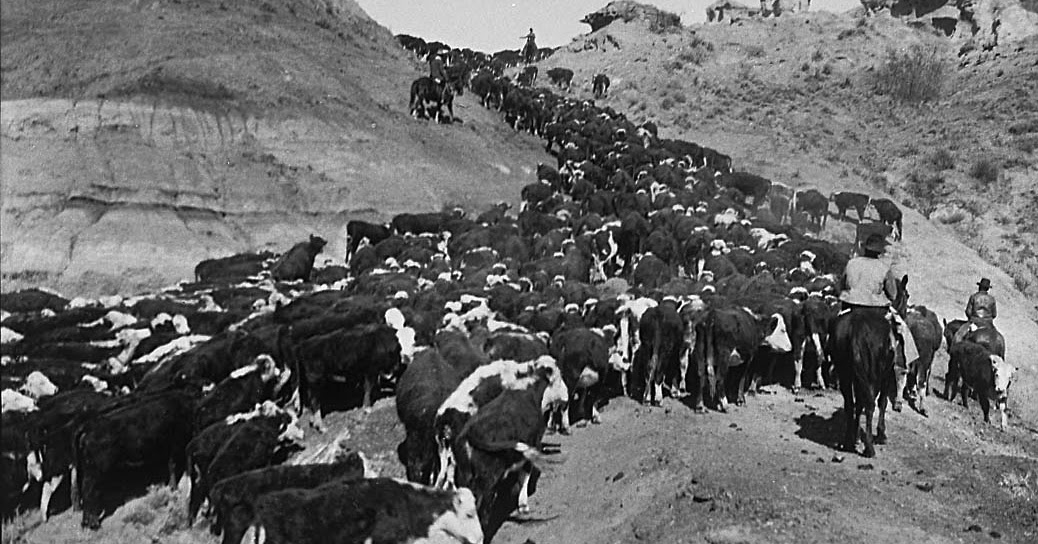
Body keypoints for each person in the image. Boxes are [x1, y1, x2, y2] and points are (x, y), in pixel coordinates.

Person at [838, 233, 919, 410]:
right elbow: (893, 294)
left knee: (835, 327)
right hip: (875, 310)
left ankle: (830, 356)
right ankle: (903, 362)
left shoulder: (852, 263)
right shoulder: (884, 268)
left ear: (865, 248)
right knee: (902, 332)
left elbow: (842, 284)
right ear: (880, 252)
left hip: (850, 307)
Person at [952, 278, 997, 344]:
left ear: (979, 287)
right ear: (987, 289)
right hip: (988, 323)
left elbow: (968, 312)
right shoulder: (992, 299)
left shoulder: (974, 297)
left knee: (959, 336)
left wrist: (971, 319)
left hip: (974, 321)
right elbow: (994, 314)